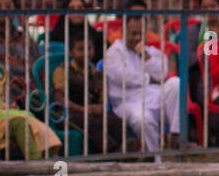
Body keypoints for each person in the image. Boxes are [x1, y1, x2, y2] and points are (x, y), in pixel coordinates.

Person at [0, 34, 61, 159]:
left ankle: (50, 156)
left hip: (2, 118)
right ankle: (36, 162)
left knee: (31, 120)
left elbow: (3, 102)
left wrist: (9, 107)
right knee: (20, 122)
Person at [103, 14, 181, 152]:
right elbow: (125, 78)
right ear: (123, 31)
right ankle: (156, 157)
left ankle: (176, 136)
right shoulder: (114, 52)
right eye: (133, 33)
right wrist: (149, 79)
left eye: (141, 34)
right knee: (143, 120)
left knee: (175, 83)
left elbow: (162, 74)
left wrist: (145, 57)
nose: (137, 38)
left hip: (154, 97)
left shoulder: (150, 51)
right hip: (129, 103)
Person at [52, 32, 126, 155]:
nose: (86, 52)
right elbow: (60, 99)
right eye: (81, 49)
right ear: (71, 52)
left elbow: (103, 102)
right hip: (69, 115)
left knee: (115, 121)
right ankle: (115, 153)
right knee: (91, 123)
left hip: (91, 114)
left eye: (89, 48)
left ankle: (120, 152)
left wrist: (100, 108)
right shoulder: (62, 70)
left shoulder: (97, 74)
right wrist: (82, 109)